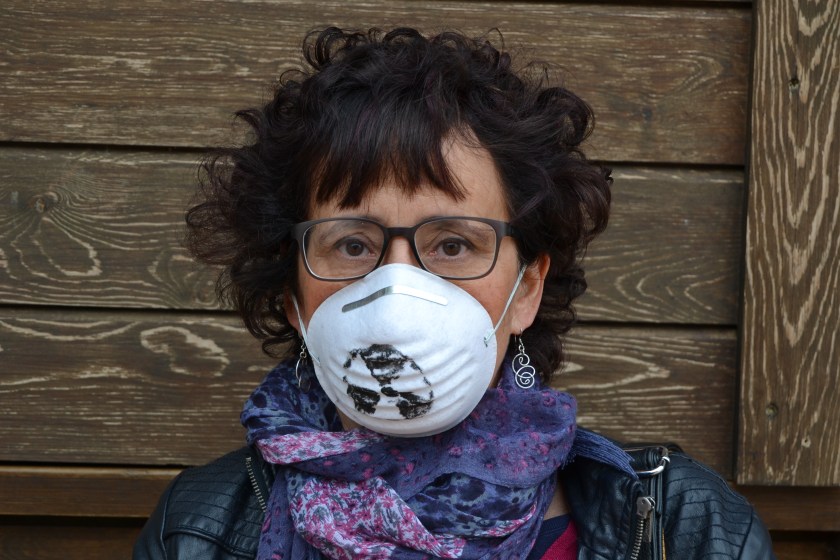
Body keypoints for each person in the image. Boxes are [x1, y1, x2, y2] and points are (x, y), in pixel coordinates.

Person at [134, 26, 774, 559]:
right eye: (352, 245)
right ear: (293, 298)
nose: (397, 291)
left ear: (526, 289)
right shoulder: (195, 530)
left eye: (453, 244)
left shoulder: (684, 529)